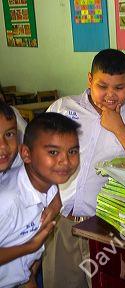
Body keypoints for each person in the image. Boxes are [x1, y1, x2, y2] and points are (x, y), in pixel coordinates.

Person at [43, 48, 125, 288]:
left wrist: (119, 128)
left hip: (105, 227)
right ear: (89, 79)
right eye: (102, 86)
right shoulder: (64, 108)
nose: (110, 95)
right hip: (60, 222)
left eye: (119, 88)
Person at [0, 113, 80, 288]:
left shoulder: (51, 187)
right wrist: (30, 247)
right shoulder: (8, 201)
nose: (65, 161)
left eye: (72, 151)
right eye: (53, 152)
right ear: (26, 154)